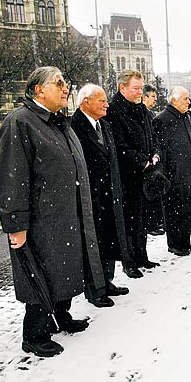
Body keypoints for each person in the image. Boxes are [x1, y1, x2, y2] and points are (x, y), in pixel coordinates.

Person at [0, 66, 103, 357]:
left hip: (64, 214)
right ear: (39, 90)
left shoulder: (56, 121)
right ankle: (35, 333)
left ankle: (61, 316)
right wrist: (16, 223)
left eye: (65, 82)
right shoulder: (20, 122)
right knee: (40, 274)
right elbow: (11, 177)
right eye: (58, 83)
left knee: (64, 270)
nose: (65, 87)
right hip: (41, 220)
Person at [71, 84, 131, 308]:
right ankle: (94, 289)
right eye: (101, 100)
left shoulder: (104, 126)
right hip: (90, 196)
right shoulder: (74, 127)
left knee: (108, 239)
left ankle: (107, 281)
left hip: (108, 194)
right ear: (85, 102)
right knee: (92, 244)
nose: (107, 104)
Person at [105, 70, 161, 278]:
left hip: (145, 172)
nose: (140, 92)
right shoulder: (114, 111)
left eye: (141, 88)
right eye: (135, 88)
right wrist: (140, 160)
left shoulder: (141, 109)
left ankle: (142, 256)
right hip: (127, 175)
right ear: (122, 88)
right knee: (129, 220)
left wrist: (155, 153)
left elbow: (152, 135)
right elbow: (119, 145)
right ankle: (129, 262)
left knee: (142, 217)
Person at [152, 86, 191, 256]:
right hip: (174, 175)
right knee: (175, 209)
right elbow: (160, 147)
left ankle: (186, 241)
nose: (188, 102)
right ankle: (175, 244)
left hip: (189, 171)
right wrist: (167, 171)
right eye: (185, 98)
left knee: (188, 208)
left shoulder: (184, 117)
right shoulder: (163, 119)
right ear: (174, 100)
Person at [142, 83, 165, 236]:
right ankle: (151, 224)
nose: (155, 100)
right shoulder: (143, 114)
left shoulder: (149, 113)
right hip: (145, 162)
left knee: (155, 191)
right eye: (153, 97)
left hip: (153, 159)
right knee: (148, 194)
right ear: (144, 97)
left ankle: (155, 222)